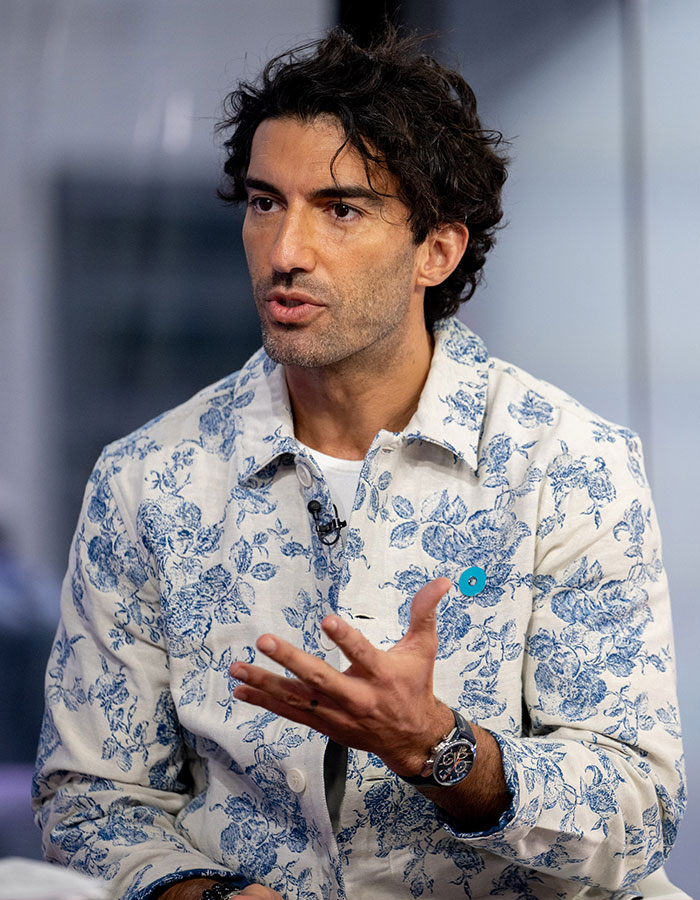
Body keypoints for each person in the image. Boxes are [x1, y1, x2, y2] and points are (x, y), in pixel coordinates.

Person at [33, 26, 685, 900]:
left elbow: (637, 811)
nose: (285, 252)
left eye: (340, 209)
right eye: (265, 203)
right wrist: (211, 896)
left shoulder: (570, 465)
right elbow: (91, 800)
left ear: (437, 251)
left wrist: (438, 749)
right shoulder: (149, 480)